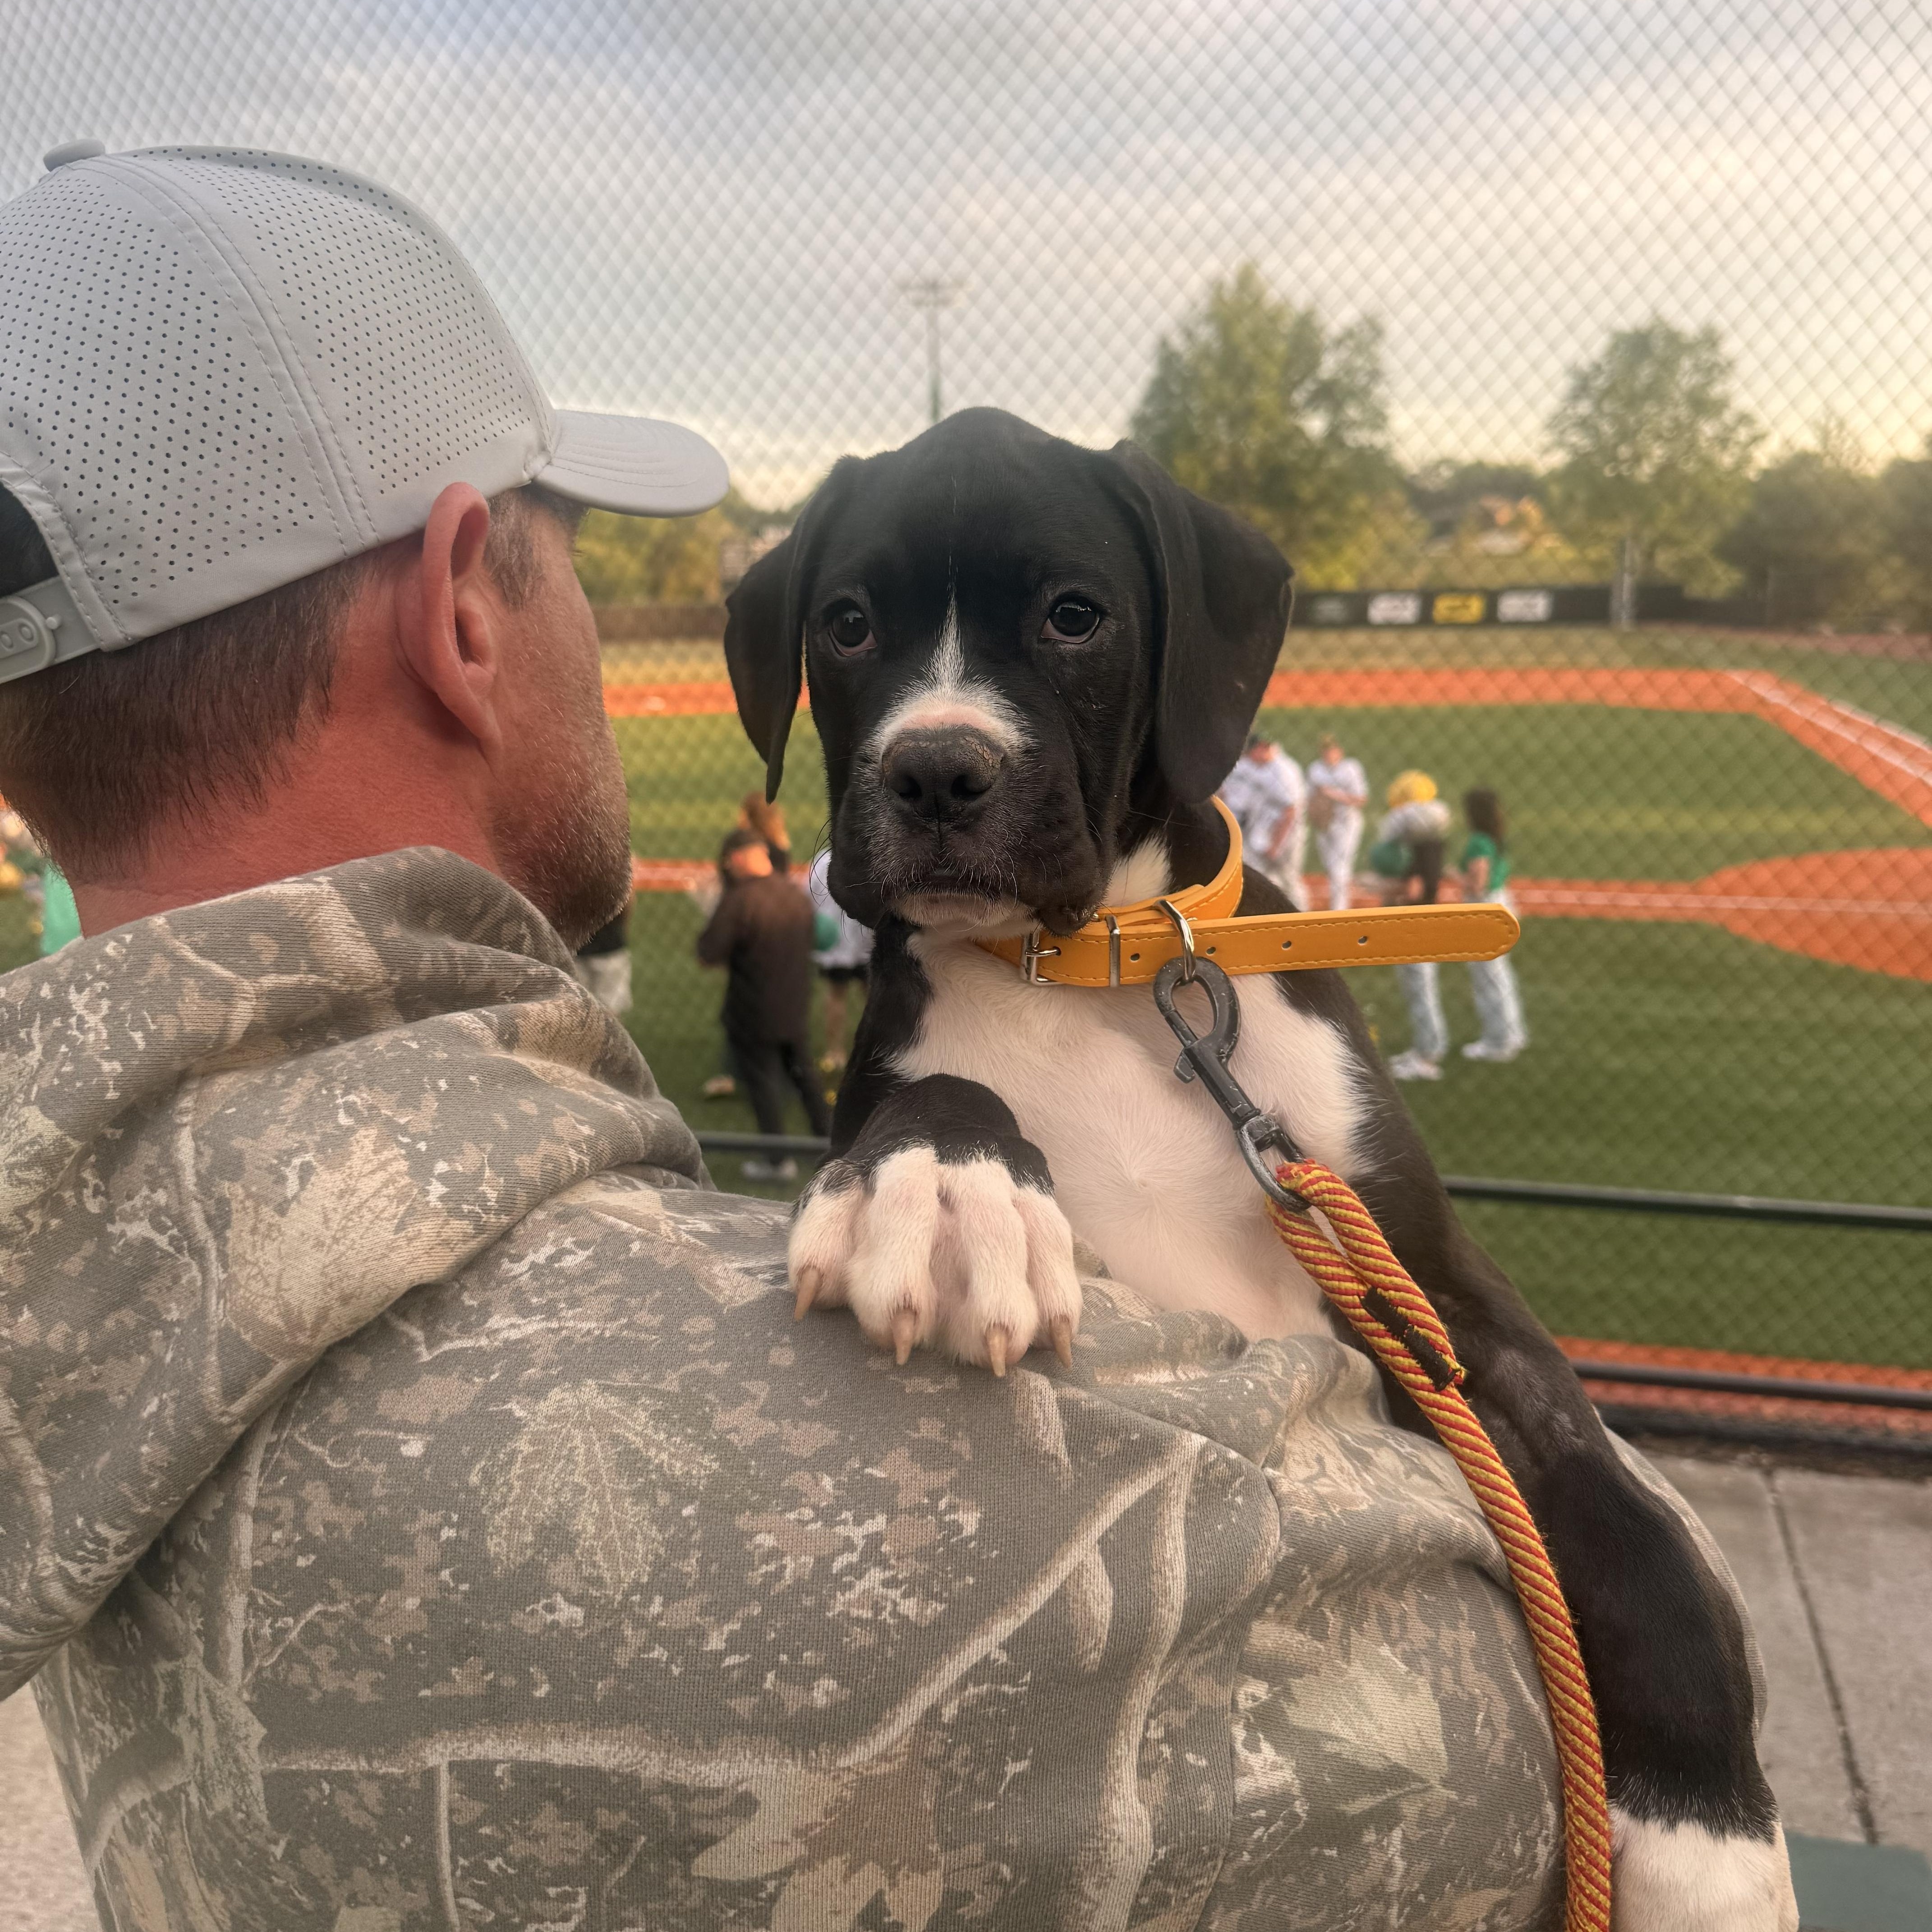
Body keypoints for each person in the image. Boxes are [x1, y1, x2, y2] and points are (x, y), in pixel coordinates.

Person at [0, 143, 1594, 1926]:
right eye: (569, 558)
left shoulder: (73, 1324)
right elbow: (1528, 1767)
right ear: (466, 608)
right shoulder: (1128, 1491)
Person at [696, 827, 831, 1176]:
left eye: (728, 861)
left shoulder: (740, 900)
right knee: (805, 1078)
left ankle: (776, 1159)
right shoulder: (795, 894)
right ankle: (829, 1146)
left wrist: (710, 911)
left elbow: (709, 953)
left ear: (740, 858)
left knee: (763, 1085)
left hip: (753, 1010)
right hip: (795, 1006)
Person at [1368, 770, 1453, 1081]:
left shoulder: (1415, 849)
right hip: (1422, 919)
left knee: (1421, 989)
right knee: (1421, 988)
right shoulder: (1433, 842)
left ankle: (1428, 1057)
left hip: (1413, 921)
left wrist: (1378, 888)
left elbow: (1413, 890)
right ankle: (1426, 1049)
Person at [1460, 786, 1530, 1061]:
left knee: (1487, 978)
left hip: (1484, 910)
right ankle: (1514, 1034)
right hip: (1501, 903)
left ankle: (1497, 1042)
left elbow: (1478, 884)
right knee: (1501, 977)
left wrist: (1454, 875)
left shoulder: (1478, 841)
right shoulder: (1496, 837)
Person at [1217, 730, 1309, 907]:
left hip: (1287, 835)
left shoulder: (1285, 772)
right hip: (1261, 834)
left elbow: (1290, 813)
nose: (1249, 757)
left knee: (1289, 878)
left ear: (1263, 748)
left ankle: (1304, 916)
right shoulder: (1259, 767)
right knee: (1259, 877)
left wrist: (1276, 845)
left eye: (1252, 752)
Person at [806, 843, 874, 1070]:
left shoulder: (822, 861)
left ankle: (835, 1052)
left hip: (836, 943)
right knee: (873, 996)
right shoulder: (866, 856)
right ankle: (875, 1051)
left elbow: (810, 898)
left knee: (836, 995)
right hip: (866, 939)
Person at [1307, 731, 1369, 909]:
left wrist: (1333, 795)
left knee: (1340, 869)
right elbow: (1308, 799)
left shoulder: (1351, 768)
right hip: (1325, 826)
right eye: (1325, 750)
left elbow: (1361, 800)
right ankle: (1339, 908)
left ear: (1340, 751)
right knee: (1331, 867)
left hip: (1347, 824)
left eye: (1332, 749)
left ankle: (1340, 911)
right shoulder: (1315, 769)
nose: (1328, 753)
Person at [574, 896, 635, 1013]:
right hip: (609, 948)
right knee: (611, 1013)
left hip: (576, 949)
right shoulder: (612, 877)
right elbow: (628, 900)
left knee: (576, 1011)